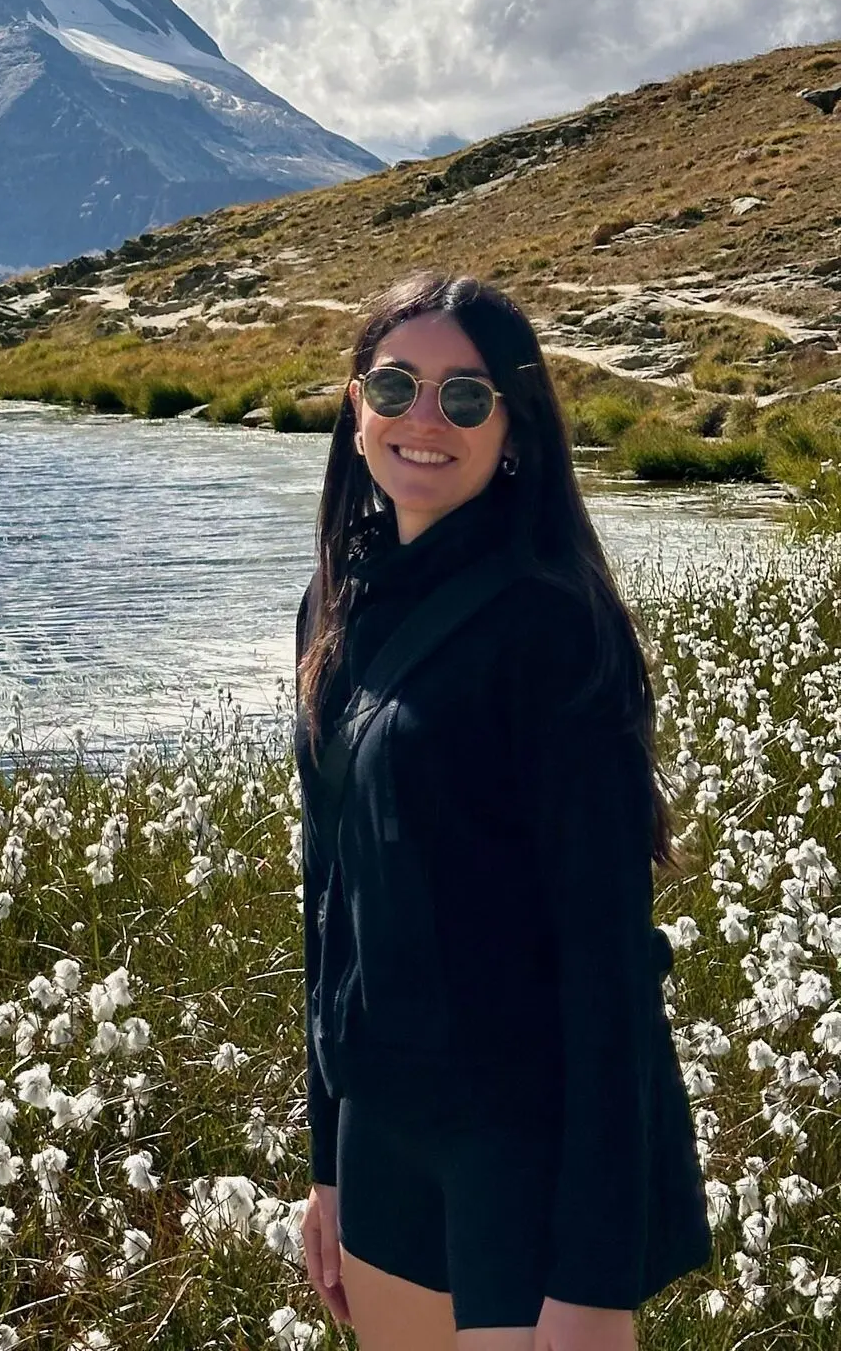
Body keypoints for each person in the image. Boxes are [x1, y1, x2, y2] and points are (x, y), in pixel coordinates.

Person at [295, 271, 709, 1349]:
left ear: (513, 429)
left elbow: (608, 967)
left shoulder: (555, 630)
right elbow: (327, 894)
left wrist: (594, 1279)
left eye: (465, 398)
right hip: (380, 1131)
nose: (425, 421)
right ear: (355, 405)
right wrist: (326, 1164)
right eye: (397, 384)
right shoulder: (336, 603)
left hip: (521, 1143)